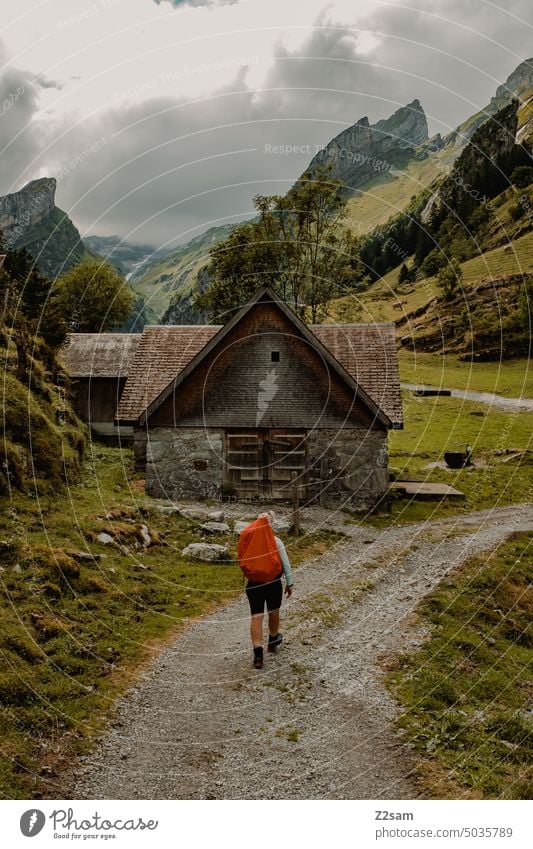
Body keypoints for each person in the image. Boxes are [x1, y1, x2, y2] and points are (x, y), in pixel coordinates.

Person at [238, 511, 293, 669]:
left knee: (256, 617)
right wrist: (290, 583)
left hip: (254, 584)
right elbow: (286, 564)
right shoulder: (276, 541)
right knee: (273, 612)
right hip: (273, 583)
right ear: (271, 525)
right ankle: (273, 640)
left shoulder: (248, 540)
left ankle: (258, 655)